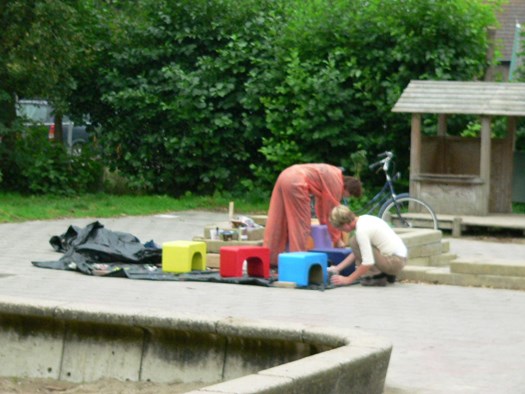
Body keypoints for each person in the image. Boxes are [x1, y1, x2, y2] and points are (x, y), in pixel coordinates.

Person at [263, 164, 362, 266]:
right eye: (349, 195)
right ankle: (297, 262)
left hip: (285, 175)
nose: (346, 197)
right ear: (347, 189)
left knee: (278, 219)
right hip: (296, 180)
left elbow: (321, 205)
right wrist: (337, 240)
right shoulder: (337, 183)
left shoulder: (332, 174)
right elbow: (332, 213)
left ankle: (271, 259)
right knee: (300, 224)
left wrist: (323, 224)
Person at [328, 204, 407, 286]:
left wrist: (348, 279)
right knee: (355, 242)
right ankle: (386, 274)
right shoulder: (364, 219)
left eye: (341, 229)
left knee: (354, 242)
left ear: (345, 224)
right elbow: (358, 252)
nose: (342, 231)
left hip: (394, 262)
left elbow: (367, 262)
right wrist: (337, 268)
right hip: (399, 259)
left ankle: (377, 276)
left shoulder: (362, 231)